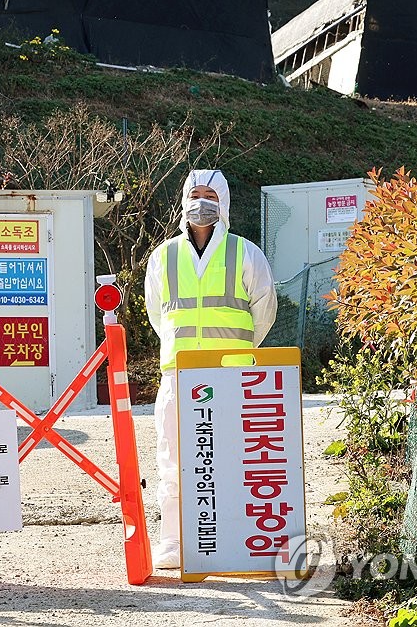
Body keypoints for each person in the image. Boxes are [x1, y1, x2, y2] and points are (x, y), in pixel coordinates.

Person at [144, 169, 277, 570]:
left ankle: (233, 538)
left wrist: (236, 352)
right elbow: (157, 314)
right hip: (178, 375)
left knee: (233, 458)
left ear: (224, 204)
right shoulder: (163, 256)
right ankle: (173, 540)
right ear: (183, 201)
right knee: (174, 457)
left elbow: (264, 311)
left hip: (231, 377)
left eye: (210, 194)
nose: (202, 202)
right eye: (195, 193)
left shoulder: (245, 253)